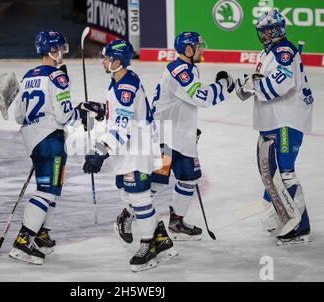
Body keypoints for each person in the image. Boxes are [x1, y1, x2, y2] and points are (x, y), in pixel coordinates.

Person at [114, 32, 235, 243]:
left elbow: (184, 103)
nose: (201, 49)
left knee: (189, 178)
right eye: (198, 46)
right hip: (165, 136)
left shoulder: (189, 68)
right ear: (188, 50)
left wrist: (188, 130)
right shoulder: (178, 69)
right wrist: (223, 85)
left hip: (181, 136)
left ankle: (176, 222)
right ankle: (126, 215)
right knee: (156, 183)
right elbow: (202, 98)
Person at [83, 39, 177, 272]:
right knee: (128, 196)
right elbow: (123, 114)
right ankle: (161, 239)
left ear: (116, 62)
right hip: (129, 149)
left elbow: (122, 128)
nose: (103, 61)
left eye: (106, 58)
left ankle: (149, 246)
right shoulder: (120, 79)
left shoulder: (125, 87)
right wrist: (102, 110)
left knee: (140, 198)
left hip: (136, 150)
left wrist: (101, 149)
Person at [9, 30, 103, 265]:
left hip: (33, 139)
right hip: (50, 138)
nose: (62, 52)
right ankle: (24, 239)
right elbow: (63, 115)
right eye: (60, 48)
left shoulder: (28, 76)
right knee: (46, 190)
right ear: (54, 49)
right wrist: (81, 111)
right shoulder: (58, 77)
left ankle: (41, 233)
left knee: (52, 186)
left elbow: (18, 115)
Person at [235, 9, 313, 245]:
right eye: (261, 32)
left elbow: (283, 82)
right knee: (270, 171)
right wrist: (251, 85)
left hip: (287, 119)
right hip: (276, 119)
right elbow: (265, 80)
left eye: (266, 31)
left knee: (286, 172)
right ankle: (281, 210)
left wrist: (254, 86)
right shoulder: (269, 51)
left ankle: (301, 227)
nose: (263, 36)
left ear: (275, 30)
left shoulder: (283, 51)